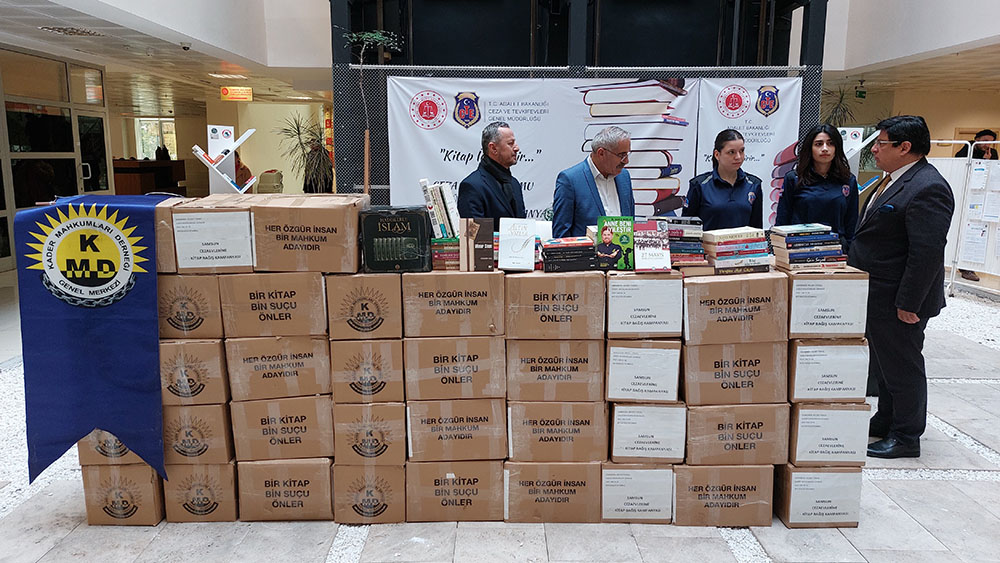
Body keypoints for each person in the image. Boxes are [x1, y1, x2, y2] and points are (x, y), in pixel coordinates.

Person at [849, 115, 955, 459]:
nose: (875, 150)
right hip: (878, 293)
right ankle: (887, 418)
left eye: (881, 143)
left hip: (899, 299)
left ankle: (907, 436)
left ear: (905, 147)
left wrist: (909, 303)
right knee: (884, 364)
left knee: (903, 366)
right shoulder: (894, 180)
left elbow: (926, 252)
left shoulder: (928, 187)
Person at [775, 124, 859, 252]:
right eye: (819, 144)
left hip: (836, 249)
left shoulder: (848, 180)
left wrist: (849, 251)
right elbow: (782, 219)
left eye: (830, 144)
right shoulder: (794, 179)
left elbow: (851, 222)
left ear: (837, 148)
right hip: (800, 249)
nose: (825, 149)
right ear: (810, 148)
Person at [552, 126, 635, 238]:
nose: (626, 161)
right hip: (587, 249)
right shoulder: (570, 180)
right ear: (601, 153)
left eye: (627, 154)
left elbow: (631, 223)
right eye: (622, 155)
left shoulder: (624, 177)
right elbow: (561, 236)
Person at [683, 129, 763, 230]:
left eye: (741, 151)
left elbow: (757, 229)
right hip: (708, 240)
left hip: (745, 241)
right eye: (731, 152)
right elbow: (686, 227)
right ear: (717, 155)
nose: (738, 157)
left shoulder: (754, 184)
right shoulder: (699, 185)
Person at [458, 121, 526, 226]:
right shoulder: (472, 186)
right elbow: (473, 234)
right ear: (493, 148)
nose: (517, 148)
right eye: (510, 143)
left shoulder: (515, 184)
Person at [953, 129, 995, 281]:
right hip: (963, 191)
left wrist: (988, 161)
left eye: (990, 142)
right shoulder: (967, 147)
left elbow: (993, 173)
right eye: (985, 140)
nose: (987, 144)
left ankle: (969, 266)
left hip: (982, 195)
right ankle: (962, 266)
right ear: (977, 139)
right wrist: (981, 161)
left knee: (977, 229)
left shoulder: (993, 153)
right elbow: (959, 165)